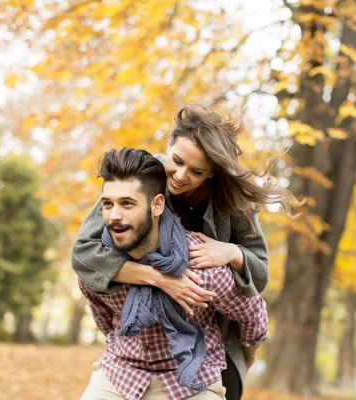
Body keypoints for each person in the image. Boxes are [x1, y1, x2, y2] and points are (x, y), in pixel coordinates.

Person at [73, 102, 302, 399]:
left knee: (222, 385)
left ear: (211, 172)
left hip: (207, 325)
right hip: (137, 336)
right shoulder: (144, 179)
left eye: (196, 171)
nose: (180, 176)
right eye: (177, 160)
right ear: (168, 146)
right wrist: (161, 279)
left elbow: (259, 279)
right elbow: (84, 254)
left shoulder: (233, 203)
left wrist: (233, 252)